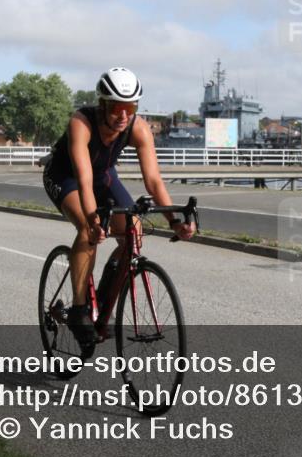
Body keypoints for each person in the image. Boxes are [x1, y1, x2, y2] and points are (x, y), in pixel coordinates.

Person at [42, 67, 195, 349]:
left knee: (133, 231)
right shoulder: (81, 123)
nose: (124, 115)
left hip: (103, 176)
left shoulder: (138, 128)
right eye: (117, 107)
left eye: (130, 107)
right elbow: (84, 182)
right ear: (103, 104)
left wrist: (174, 221)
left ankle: (102, 304)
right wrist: (94, 222)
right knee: (89, 230)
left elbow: (153, 181)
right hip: (65, 176)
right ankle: (78, 309)